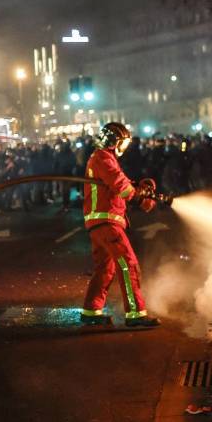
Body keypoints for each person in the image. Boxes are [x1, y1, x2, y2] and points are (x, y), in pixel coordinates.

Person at [81, 122, 161, 328]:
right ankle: (135, 313)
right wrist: (138, 197)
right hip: (106, 222)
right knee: (128, 264)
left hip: (101, 222)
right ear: (112, 141)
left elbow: (121, 183)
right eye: (121, 143)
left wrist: (142, 191)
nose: (123, 148)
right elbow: (121, 186)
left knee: (104, 269)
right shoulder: (102, 158)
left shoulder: (104, 159)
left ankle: (91, 310)